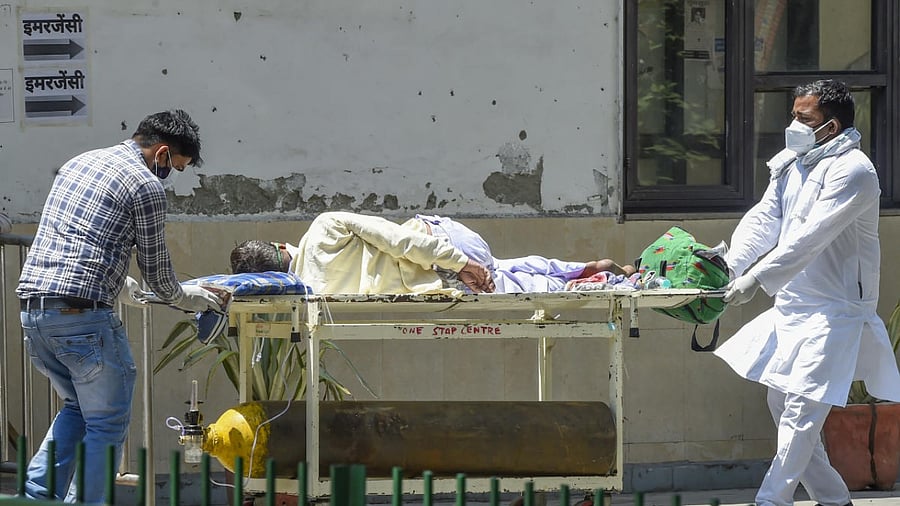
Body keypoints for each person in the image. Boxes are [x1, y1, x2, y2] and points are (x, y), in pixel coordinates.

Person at [15, 109, 224, 502]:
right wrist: (193, 298)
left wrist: (118, 283)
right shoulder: (145, 185)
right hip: (83, 317)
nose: (171, 176)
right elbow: (159, 275)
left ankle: (36, 497)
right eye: (175, 167)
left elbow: (75, 237)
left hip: (34, 312)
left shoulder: (81, 162)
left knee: (77, 409)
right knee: (107, 424)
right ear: (162, 153)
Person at [715, 80, 900, 506]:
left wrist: (756, 280)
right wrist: (732, 264)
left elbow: (808, 239)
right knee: (780, 403)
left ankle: (770, 500)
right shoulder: (793, 162)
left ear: (831, 126)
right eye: (794, 114)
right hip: (794, 305)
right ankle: (834, 498)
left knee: (800, 412)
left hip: (836, 311)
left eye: (804, 118)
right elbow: (766, 217)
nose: (793, 125)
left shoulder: (854, 171)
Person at [229, 211, 634, 295]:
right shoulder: (323, 227)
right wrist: (462, 261)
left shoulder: (313, 293)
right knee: (501, 267)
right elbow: (397, 240)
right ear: (282, 246)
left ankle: (601, 279)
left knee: (516, 280)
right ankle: (590, 271)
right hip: (445, 247)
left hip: (441, 282)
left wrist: (460, 269)